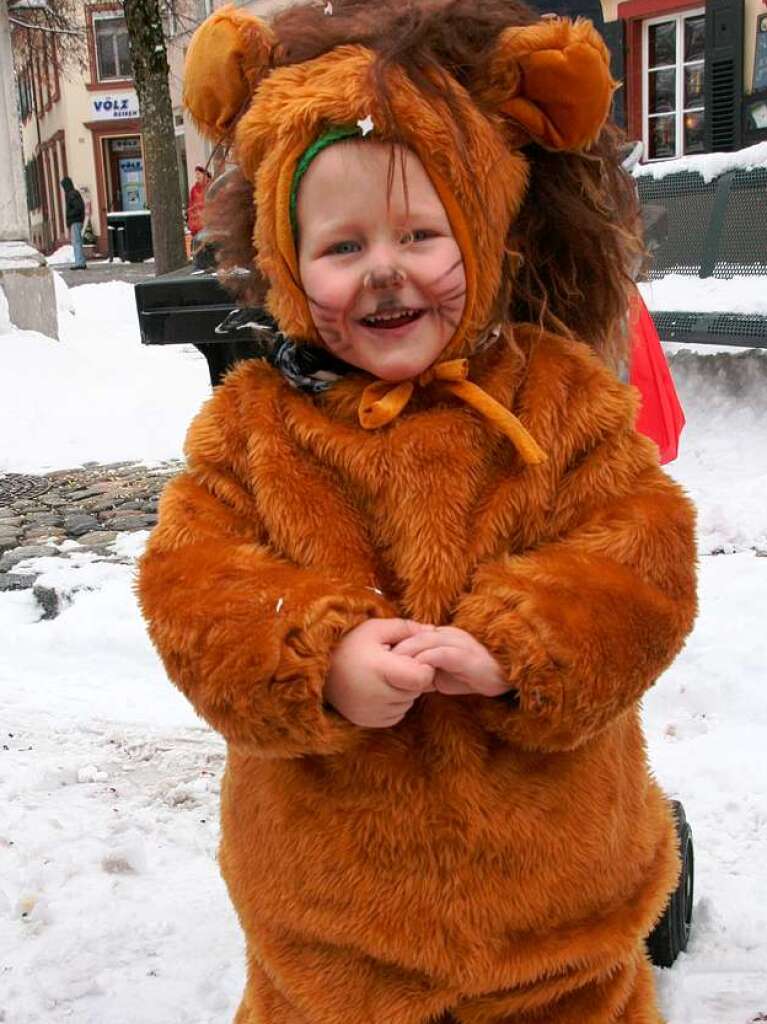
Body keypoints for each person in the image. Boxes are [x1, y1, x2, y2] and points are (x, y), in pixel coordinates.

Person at [138, 3, 698, 1022]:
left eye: (421, 233)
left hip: (559, 927)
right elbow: (193, 584)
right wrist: (310, 656)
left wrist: (525, 645)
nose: (385, 269)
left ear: (483, 232)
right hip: (332, 939)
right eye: (342, 245)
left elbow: (642, 557)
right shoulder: (254, 430)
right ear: (285, 260)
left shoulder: (557, 399)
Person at [60, 177, 86, 270]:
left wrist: (69, 215)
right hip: (76, 221)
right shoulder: (73, 193)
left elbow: (78, 207)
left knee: (76, 242)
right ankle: (80, 261)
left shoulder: (72, 194)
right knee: (77, 242)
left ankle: (79, 263)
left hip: (75, 221)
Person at [186, 164, 211, 247]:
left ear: (204, 174)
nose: (197, 176)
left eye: (198, 174)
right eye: (196, 174)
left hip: (207, 220)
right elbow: (191, 204)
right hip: (197, 222)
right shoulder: (194, 189)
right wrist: (190, 219)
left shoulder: (210, 186)